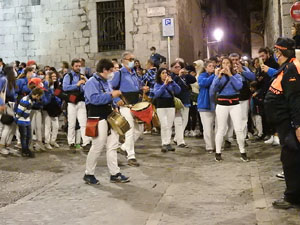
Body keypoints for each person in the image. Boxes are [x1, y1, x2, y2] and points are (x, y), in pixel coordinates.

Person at [264, 37, 300, 209]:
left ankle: (292, 197)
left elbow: (295, 100)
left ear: (280, 51)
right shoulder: (285, 68)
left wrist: (298, 125)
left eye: (276, 51)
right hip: (283, 124)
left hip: (289, 124)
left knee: (290, 159)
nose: (275, 54)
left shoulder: (292, 69)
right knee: (290, 158)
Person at [83, 58, 129, 185]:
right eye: (111, 70)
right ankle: (89, 173)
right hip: (97, 117)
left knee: (113, 146)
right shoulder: (91, 82)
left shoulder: (105, 81)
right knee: (97, 146)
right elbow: (93, 99)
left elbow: (110, 96)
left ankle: (115, 173)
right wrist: (111, 96)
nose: (112, 73)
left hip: (108, 116)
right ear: (104, 70)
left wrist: (115, 103)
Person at [111, 51, 149, 167]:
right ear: (123, 61)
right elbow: (111, 88)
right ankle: (131, 156)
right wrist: (116, 101)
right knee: (130, 129)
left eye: (133, 59)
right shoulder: (119, 74)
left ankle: (123, 147)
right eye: (130, 59)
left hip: (136, 104)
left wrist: (143, 88)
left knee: (140, 129)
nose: (132, 61)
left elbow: (138, 86)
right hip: (125, 104)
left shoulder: (134, 73)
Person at [210, 57, 249, 162]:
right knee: (221, 129)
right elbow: (213, 89)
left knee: (239, 129)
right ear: (221, 65)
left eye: (228, 63)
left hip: (235, 104)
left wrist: (230, 75)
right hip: (222, 104)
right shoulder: (219, 76)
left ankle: (243, 151)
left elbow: (239, 86)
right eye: (224, 63)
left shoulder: (236, 76)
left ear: (231, 65)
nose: (226, 65)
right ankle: (218, 153)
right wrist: (217, 76)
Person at [62, 58, 90, 151]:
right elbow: (65, 88)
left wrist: (85, 82)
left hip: (81, 101)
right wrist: (77, 84)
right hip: (72, 101)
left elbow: (86, 88)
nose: (78, 68)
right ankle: (71, 142)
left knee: (83, 123)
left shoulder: (82, 76)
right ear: (72, 66)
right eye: (76, 66)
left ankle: (86, 142)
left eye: (79, 66)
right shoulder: (68, 76)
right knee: (72, 123)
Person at [229, 53, 256, 142]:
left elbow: (253, 77)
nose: (235, 62)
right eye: (232, 60)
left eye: (236, 60)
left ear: (239, 60)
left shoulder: (244, 68)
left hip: (243, 96)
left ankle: (242, 137)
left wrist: (242, 71)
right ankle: (231, 136)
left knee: (243, 117)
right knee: (232, 118)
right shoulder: (227, 70)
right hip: (232, 96)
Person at [153, 68, 181, 152]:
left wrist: (173, 82)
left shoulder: (171, 83)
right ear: (159, 75)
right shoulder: (157, 84)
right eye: (163, 73)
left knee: (169, 125)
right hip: (161, 106)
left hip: (170, 105)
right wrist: (164, 85)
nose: (165, 74)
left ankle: (168, 142)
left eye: (166, 73)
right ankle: (164, 143)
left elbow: (178, 91)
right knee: (164, 125)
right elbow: (157, 94)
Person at [170, 61, 196, 147]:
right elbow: (173, 86)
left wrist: (187, 74)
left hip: (186, 100)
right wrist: (179, 76)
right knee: (178, 121)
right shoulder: (171, 76)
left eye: (179, 67)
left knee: (185, 120)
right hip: (177, 101)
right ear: (172, 68)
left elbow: (193, 80)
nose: (178, 69)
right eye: (176, 67)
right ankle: (180, 141)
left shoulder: (184, 76)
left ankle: (177, 138)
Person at [258, 47, 280, 145]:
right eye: (260, 56)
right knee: (266, 115)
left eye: (263, 55)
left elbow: (277, 76)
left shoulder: (274, 64)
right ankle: (270, 134)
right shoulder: (262, 65)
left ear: (268, 54)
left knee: (274, 115)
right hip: (264, 92)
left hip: (273, 92)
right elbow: (262, 79)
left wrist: (268, 71)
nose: (261, 58)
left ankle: (276, 135)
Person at [15, 87, 44, 158]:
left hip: (27, 120)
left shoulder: (31, 100)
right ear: (37, 95)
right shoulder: (26, 100)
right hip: (22, 121)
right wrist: (16, 120)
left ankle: (26, 150)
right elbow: (19, 112)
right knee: (24, 137)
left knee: (28, 136)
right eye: (39, 96)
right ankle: (24, 151)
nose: (39, 98)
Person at [198, 60, 216, 153]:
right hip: (204, 105)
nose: (212, 67)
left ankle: (216, 145)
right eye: (210, 66)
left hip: (215, 104)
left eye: (213, 66)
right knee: (207, 127)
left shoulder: (216, 76)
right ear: (205, 68)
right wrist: (214, 75)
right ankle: (209, 146)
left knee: (216, 128)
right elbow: (203, 83)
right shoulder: (202, 76)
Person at [0, 66, 17, 156]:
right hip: (5, 105)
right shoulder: (3, 80)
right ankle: (2, 146)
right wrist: (1, 104)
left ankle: (7, 144)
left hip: (11, 105)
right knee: (7, 126)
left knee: (12, 126)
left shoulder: (10, 81)